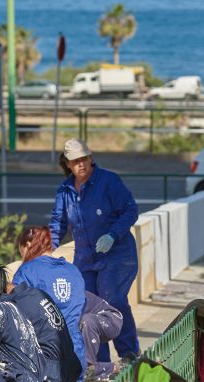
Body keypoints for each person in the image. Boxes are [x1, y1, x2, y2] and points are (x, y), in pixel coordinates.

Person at [50, 139, 140, 369]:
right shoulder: (65, 191)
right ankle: (99, 361)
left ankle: (129, 353)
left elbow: (130, 210)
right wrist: (46, 251)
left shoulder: (109, 181)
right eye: (75, 161)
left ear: (90, 158)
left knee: (113, 301)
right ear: (67, 164)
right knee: (88, 306)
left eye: (84, 159)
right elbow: (58, 224)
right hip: (85, 259)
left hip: (117, 255)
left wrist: (112, 234)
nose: (81, 164)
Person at [13, 226, 87, 382]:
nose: (22, 257)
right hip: (77, 357)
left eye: (21, 251)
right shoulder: (73, 271)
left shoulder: (27, 271)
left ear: (29, 244)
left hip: (49, 359)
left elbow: (14, 313)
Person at [81, 291, 125, 382]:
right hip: (92, 320)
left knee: (87, 321)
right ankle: (113, 367)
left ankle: (89, 368)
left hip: (110, 318)